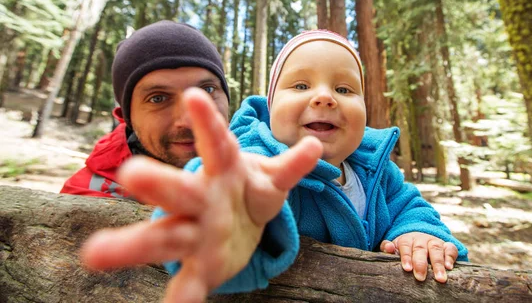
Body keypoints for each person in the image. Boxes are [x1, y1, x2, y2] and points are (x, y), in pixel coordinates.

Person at [82, 30, 468, 302]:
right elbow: (232, 182)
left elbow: (409, 206)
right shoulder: (259, 158)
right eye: (300, 86)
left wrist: (418, 233)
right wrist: (229, 221)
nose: (324, 97)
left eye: (345, 89)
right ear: (269, 108)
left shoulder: (376, 168)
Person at [60, 20, 231, 199]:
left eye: (207, 90)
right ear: (127, 118)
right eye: (158, 98)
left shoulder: (258, 157)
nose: (189, 121)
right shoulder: (85, 198)